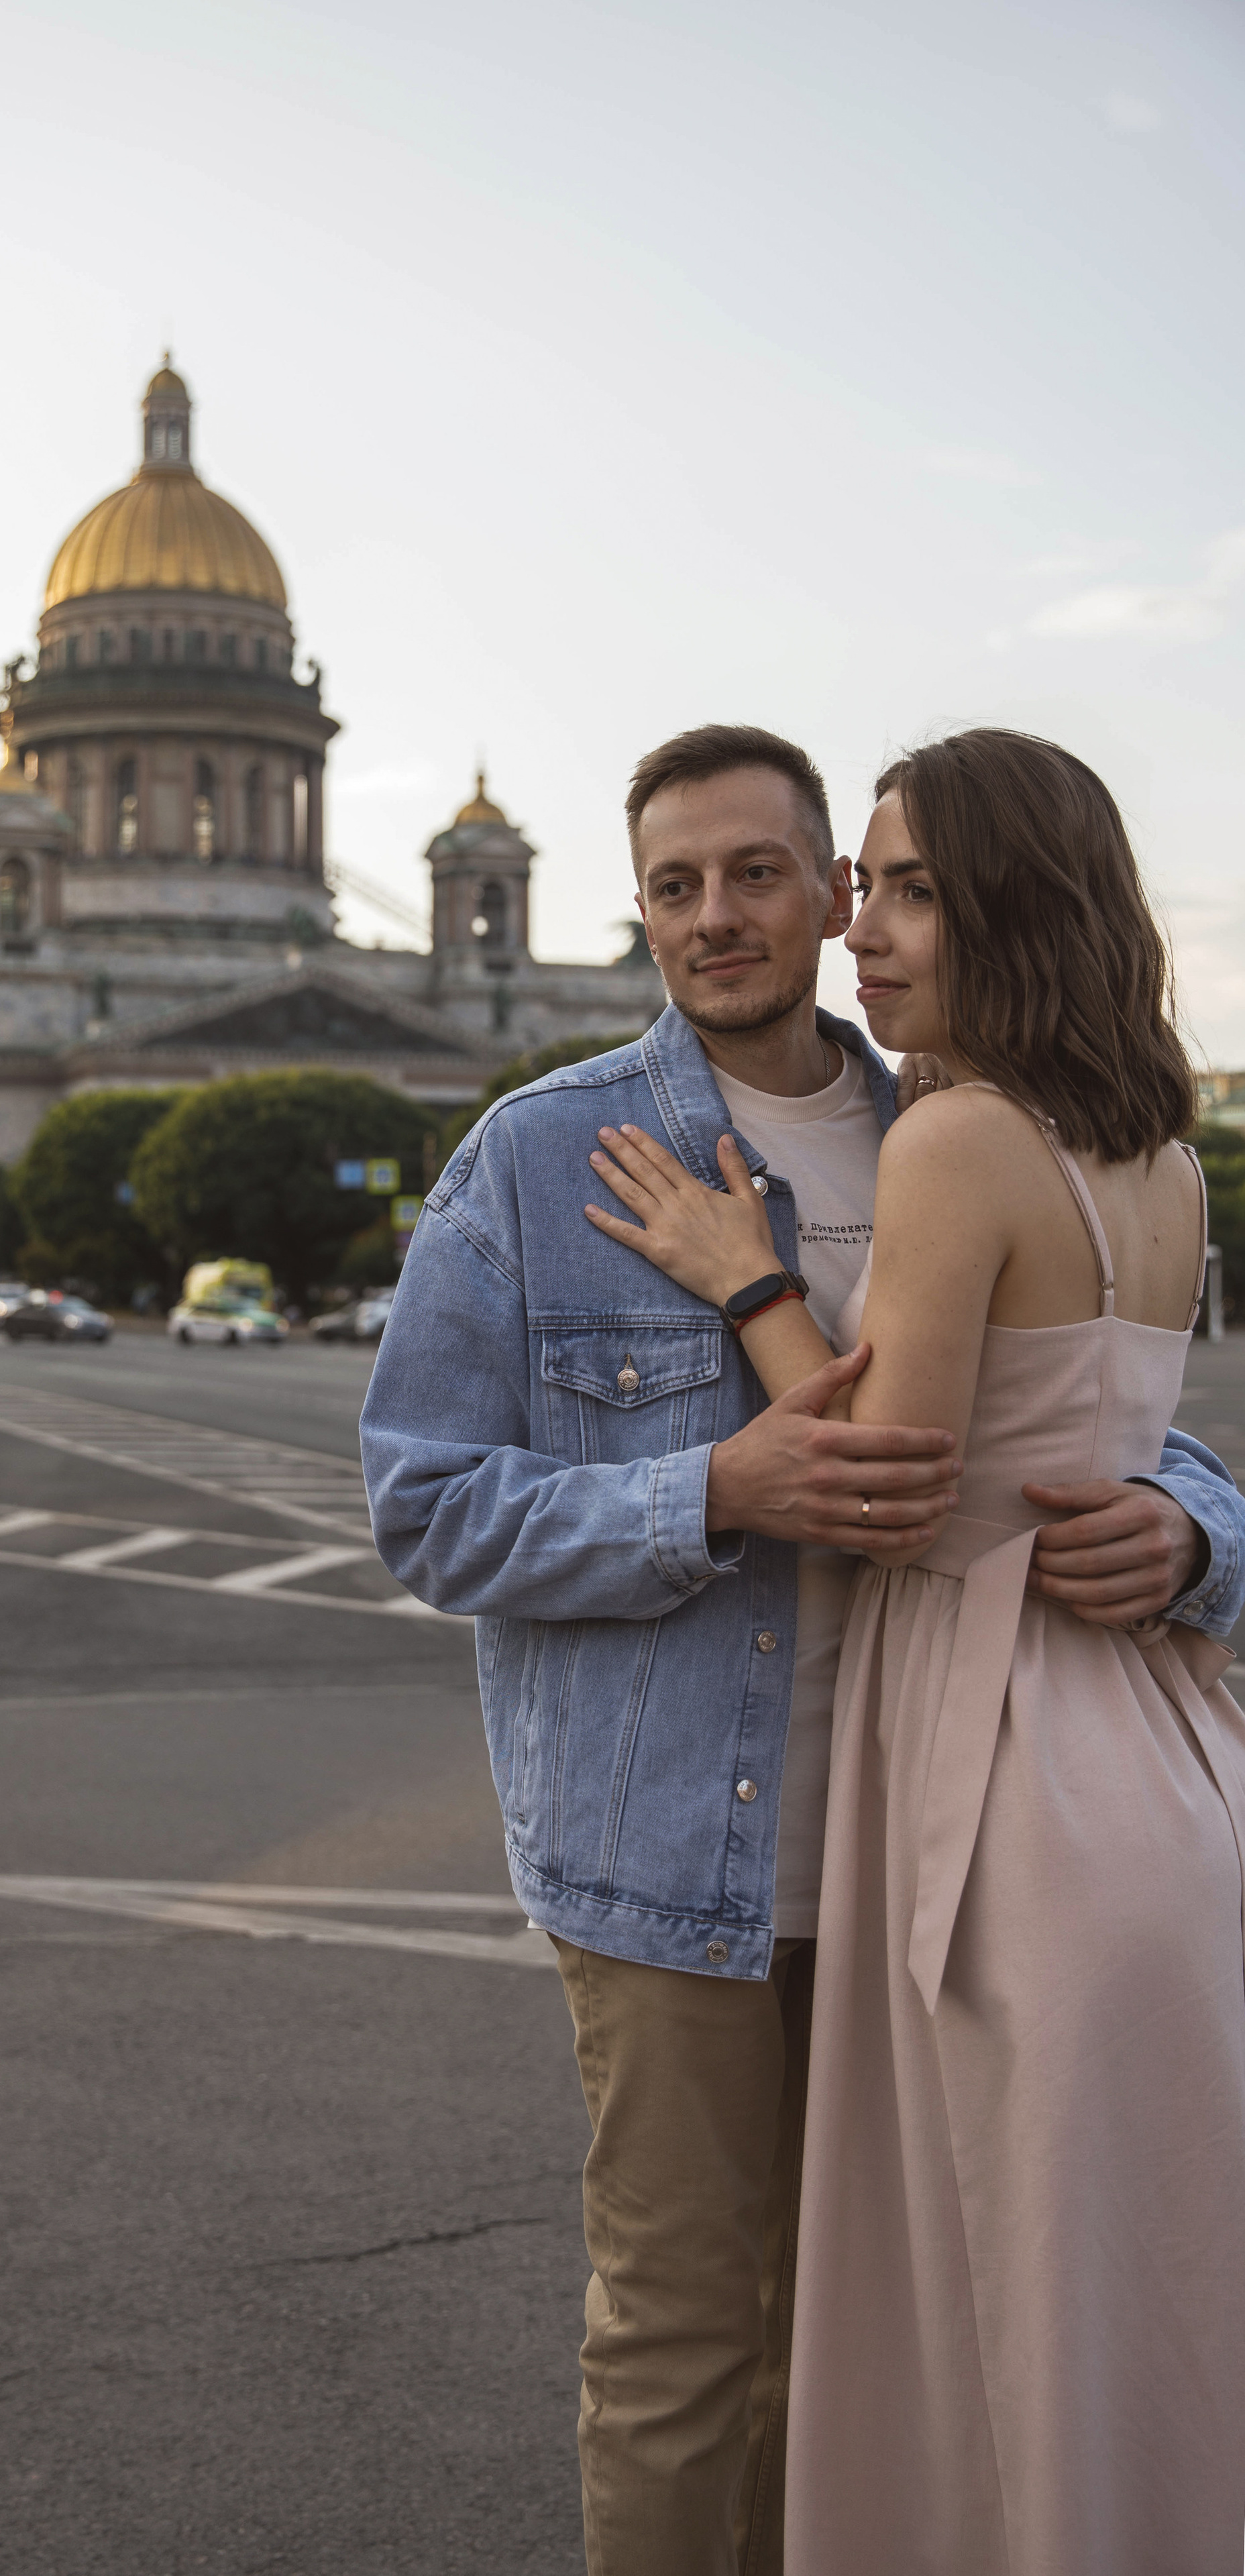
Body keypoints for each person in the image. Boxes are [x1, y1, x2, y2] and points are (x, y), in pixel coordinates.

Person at [360, 723, 1245, 2576]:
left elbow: (1083, 1428)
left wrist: (1197, 1536)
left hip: (950, 1855)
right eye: (674, 885)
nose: (718, 918)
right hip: (683, 1854)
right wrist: (708, 1492)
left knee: (884, 2347)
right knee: (688, 2341)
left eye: (759, 873)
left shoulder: (947, 1118)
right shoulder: (541, 1153)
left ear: (833, 892)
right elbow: (427, 1508)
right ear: (639, 911)